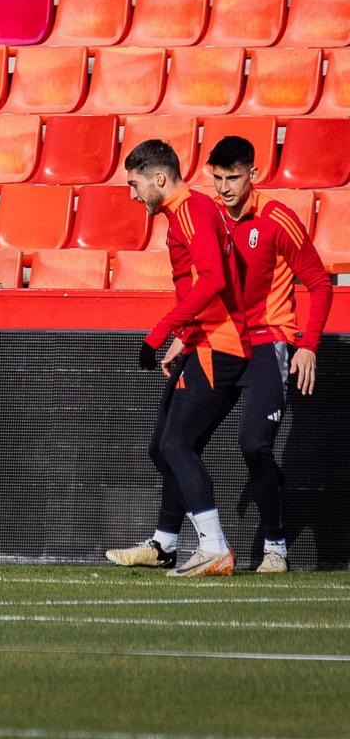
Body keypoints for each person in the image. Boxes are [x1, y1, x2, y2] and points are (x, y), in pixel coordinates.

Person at [156, 136, 331, 573]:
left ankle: (276, 548)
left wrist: (308, 344)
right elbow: (204, 283)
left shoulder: (277, 219)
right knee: (178, 441)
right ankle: (167, 542)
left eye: (234, 177)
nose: (226, 187)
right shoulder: (210, 216)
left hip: (267, 343)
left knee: (254, 445)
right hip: (219, 342)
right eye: (217, 178)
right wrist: (186, 333)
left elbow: (320, 283)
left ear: (254, 174)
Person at [106, 139, 249, 577]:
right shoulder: (189, 212)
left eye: (135, 184)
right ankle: (165, 543)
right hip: (202, 341)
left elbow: (213, 280)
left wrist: (161, 332)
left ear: (159, 179)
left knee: (175, 444)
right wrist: (184, 340)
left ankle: (215, 547)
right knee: (162, 446)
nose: (132, 194)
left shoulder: (190, 211)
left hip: (219, 345)